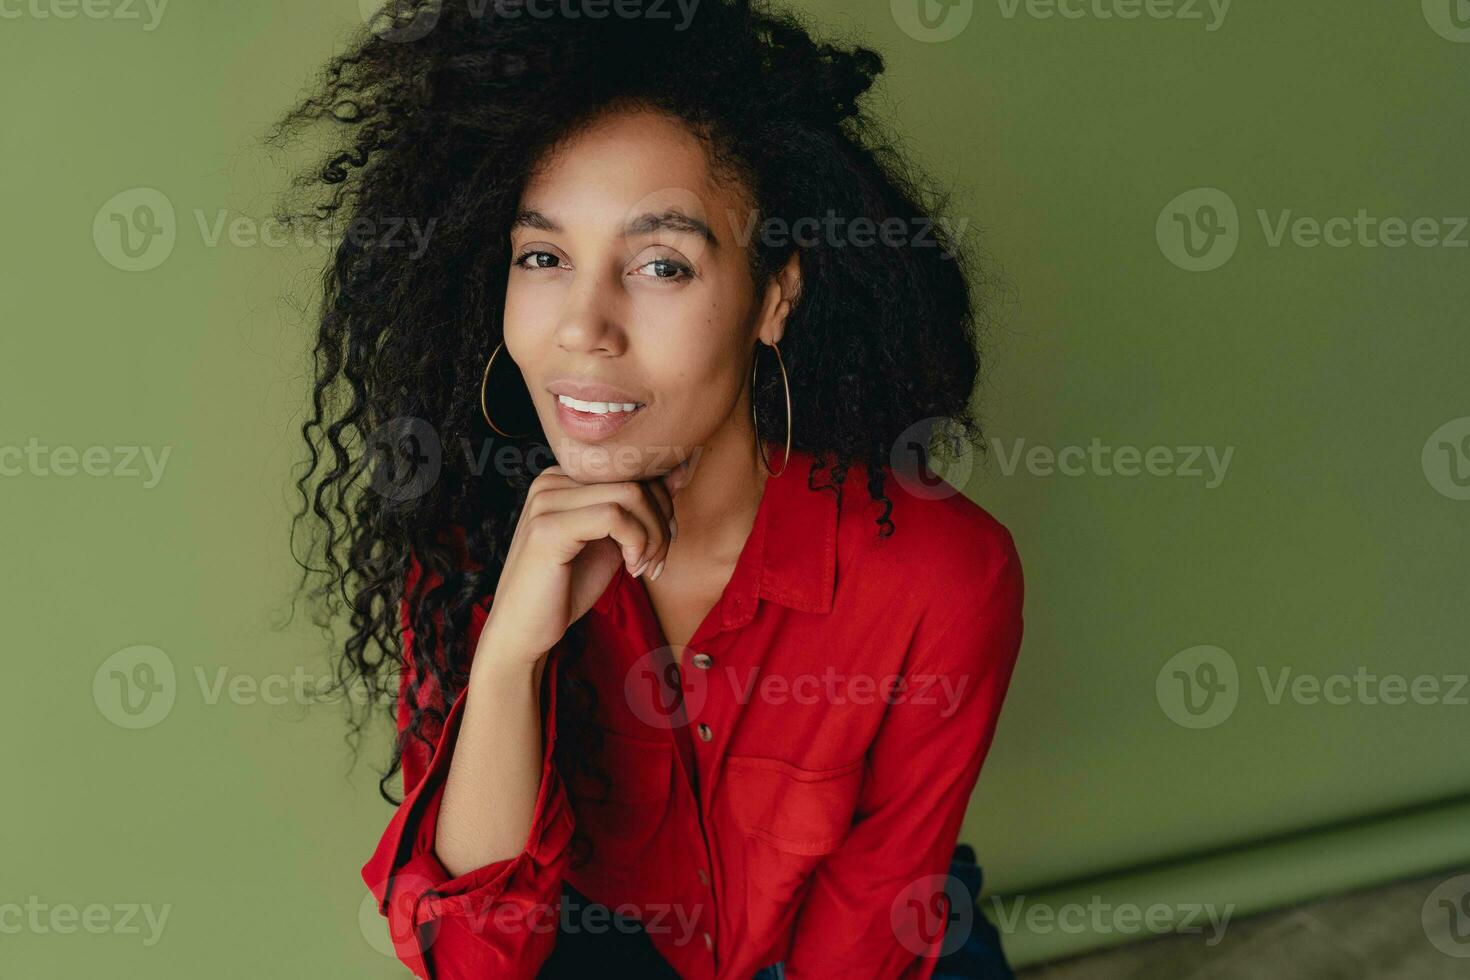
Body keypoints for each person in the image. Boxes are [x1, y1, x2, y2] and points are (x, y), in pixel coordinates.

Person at [275, 1, 1025, 976]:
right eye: (544, 256)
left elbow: (870, 920)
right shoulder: (469, 549)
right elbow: (468, 957)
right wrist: (511, 655)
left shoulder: (940, 571)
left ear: (773, 298)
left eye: (661, 263)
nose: (585, 327)